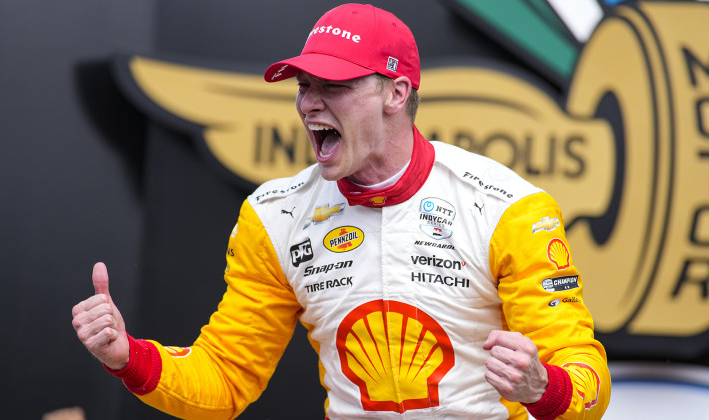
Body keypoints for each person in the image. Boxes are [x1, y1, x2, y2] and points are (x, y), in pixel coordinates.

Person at [72, 3, 610, 419]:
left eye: (335, 86)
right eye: (305, 87)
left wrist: (544, 388)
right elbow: (227, 378)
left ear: (396, 93)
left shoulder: (505, 207)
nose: (309, 103)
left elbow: (587, 378)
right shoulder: (276, 217)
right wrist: (128, 357)